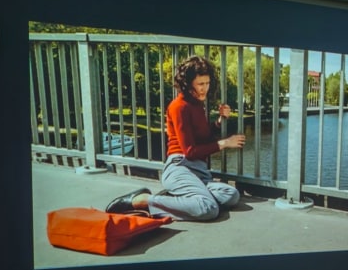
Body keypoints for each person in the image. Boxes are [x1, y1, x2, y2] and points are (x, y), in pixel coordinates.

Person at [105, 55, 246, 221]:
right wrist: (225, 143)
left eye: (207, 83)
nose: (204, 89)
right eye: (200, 84)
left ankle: (179, 198)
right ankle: (142, 201)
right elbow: (190, 151)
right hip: (180, 166)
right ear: (188, 84)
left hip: (199, 171)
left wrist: (220, 121)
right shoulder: (179, 107)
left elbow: (203, 138)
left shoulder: (197, 105)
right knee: (208, 209)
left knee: (230, 195)